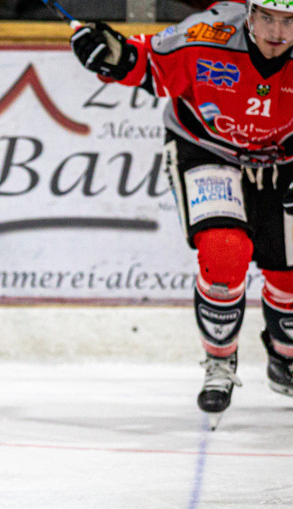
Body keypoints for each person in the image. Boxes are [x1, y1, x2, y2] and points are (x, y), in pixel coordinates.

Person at [71, 0, 293, 427]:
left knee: (289, 274)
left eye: (288, 21)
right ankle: (219, 360)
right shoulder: (207, 35)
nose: (276, 33)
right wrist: (111, 55)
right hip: (207, 148)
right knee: (224, 251)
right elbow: (145, 63)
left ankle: (285, 357)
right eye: (266, 17)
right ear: (248, 12)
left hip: (286, 158)